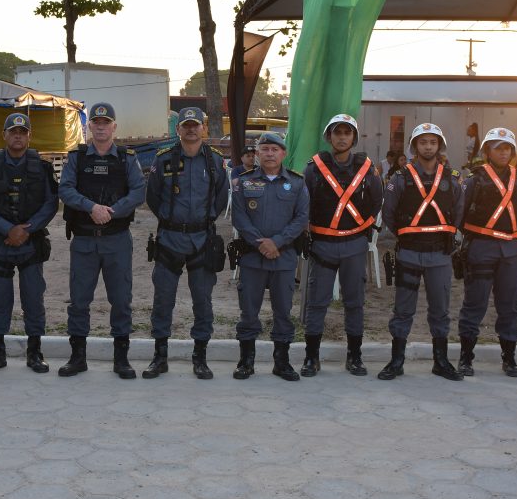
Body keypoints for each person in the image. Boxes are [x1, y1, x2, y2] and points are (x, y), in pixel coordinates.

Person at [58, 103, 146, 379]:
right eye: (96, 122)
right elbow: (65, 189)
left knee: (121, 300)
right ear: (89, 126)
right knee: (79, 300)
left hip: (116, 240)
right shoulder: (77, 157)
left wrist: (112, 211)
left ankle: (121, 359)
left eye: (105, 122)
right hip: (84, 240)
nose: (100, 126)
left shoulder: (126, 158)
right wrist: (91, 208)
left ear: (114, 127)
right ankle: (77, 357)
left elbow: (139, 192)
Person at [145, 107, 228, 379]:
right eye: (186, 125)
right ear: (178, 129)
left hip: (202, 240)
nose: (191, 130)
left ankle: (200, 357)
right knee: (163, 300)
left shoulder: (215, 160)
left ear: (203, 127)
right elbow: (152, 196)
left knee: (202, 301)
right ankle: (160, 357)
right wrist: (171, 221)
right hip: (169, 239)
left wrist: (203, 221)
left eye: (195, 125)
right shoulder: (163, 159)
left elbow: (221, 197)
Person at [379, 123, 464, 381]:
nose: (428, 147)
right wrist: (408, 235)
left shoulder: (452, 178)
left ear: (439, 146)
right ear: (415, 146)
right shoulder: (400, 178)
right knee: (403, 309)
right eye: (423, 142)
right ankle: (397, 361)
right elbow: (389, 213)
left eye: (433, 142)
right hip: (409, 252)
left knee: (440, 310)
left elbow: (459, 211)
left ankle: (441, 361)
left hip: (440, 254)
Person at [0, 113, 58, 374]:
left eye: (23, 132)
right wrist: (7, 229)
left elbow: (51, 203)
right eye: (13, 132)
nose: (18, 136)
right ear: (4, 135)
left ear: (29, 136)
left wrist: (26, 230)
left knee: (33, 298)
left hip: (31, 243)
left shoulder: (42, 167)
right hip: (0, 243)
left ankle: (35, 353)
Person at [302, 114, 383, 376]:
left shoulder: (367, 169)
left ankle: (355, 357)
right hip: (323, 245)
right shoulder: (313, 169)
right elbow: (304, 204)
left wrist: (361, 229)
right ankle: (311, 357)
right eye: (337, 132)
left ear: (354, 138)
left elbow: (377, 201)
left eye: (347, 133)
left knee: (355, 302)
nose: (342, 137)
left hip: (354, 245)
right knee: (317, 302)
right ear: (329, 136)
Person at [231, 132, 310, 381]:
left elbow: (301, 218)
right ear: (257, 154)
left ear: (283, 154)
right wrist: (261, 243)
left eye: (275, 149)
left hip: (283, 258)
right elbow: (239, 218)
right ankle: (246, 361)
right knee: (248, 311)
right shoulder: (243, 182)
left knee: (283, 311)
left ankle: (282, 362)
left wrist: (277, 242)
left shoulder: (296, 183)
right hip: (252, 258)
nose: (269, 153)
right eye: (264, 149)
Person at [455, 127, 517, 378]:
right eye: (498, 148)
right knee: (474, 304)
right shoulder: (474, 179)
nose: (503, 152)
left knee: (509, 306)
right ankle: (466, 358)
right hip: (481, 245)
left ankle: (509, 359)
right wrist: (474, 238)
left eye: (507, 148)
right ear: (487, 151)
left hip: (512, 248)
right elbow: (460, 213)